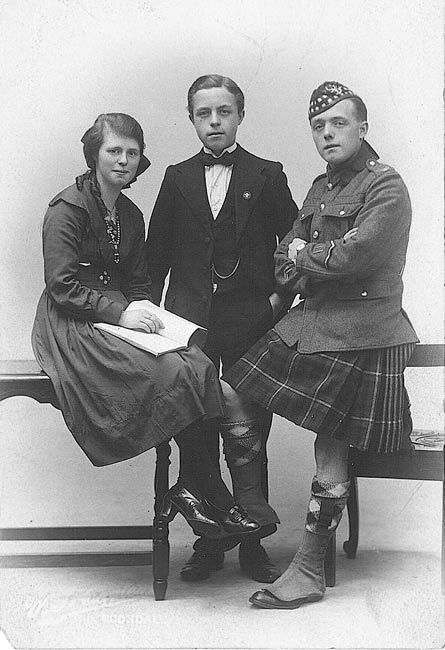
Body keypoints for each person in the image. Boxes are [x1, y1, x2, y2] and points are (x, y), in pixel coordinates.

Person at [223, 81, 419, 609]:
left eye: (338, 123)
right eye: (319, 126)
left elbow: (358, 255)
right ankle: (252, 505)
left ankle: (308, 569)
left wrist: (305, 255)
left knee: (329, 444)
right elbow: (284, 258)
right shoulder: (318, 188)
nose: (328, 133)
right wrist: (307, 254)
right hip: (316, 320)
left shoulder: (387, 186)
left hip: (365, 331)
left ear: (362, 127)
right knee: (233, 389)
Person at [31, 112, 261, 541]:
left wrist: (147, 318)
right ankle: (206, 485)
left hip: (119, 316)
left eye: (132, 153)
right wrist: (121, 315)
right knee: (172, 372)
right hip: (71, 322)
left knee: (197, 362)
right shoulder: (67, 209)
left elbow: (139, 283)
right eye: (113, 151)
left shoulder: (131, 214)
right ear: (94, 155)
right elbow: (61, 286)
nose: (123, 160)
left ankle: (195, 483)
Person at [145, 75, 298, 582]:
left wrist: (278, 301)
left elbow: (294, 248)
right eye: (203, 113)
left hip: (253, 325)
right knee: (197, 430)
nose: (214, 121)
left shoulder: (268, 174)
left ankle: (254, 543)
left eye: (224, 112)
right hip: (189, 329)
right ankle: (209, 543)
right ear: (191, 119)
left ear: (240, 115)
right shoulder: (176, 177)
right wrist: (155, 326)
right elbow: (155, 259)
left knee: (250, 428)